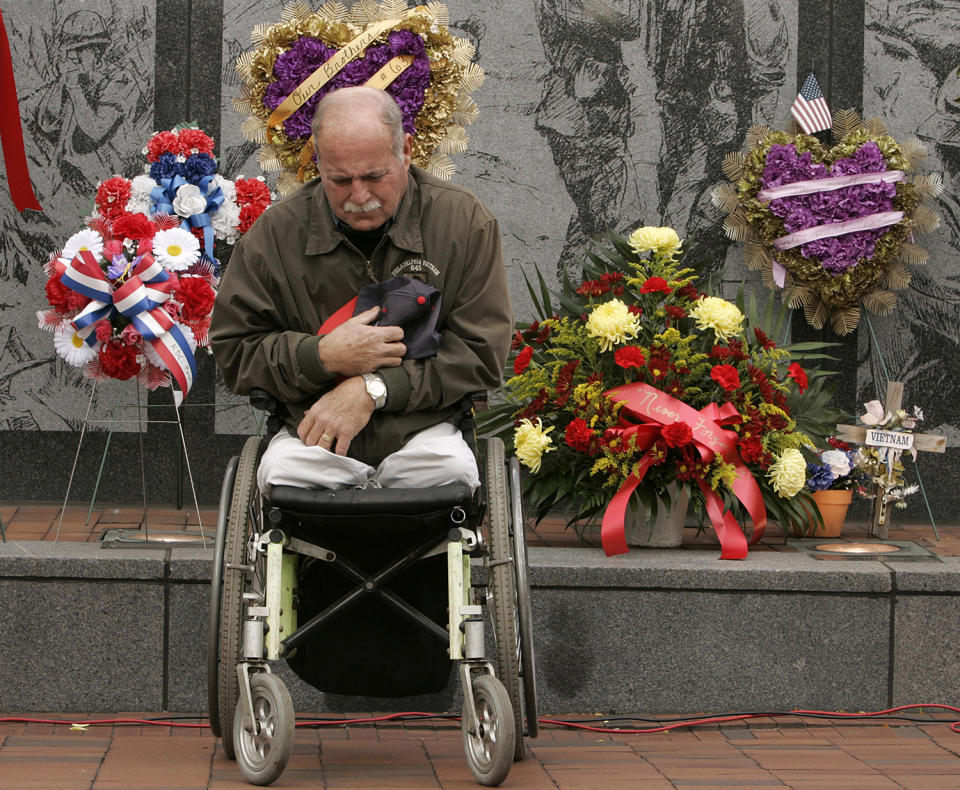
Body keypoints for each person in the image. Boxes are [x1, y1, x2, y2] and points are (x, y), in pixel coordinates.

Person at [210, 86, 513, 492]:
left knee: (451, 473)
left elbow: (481, 351)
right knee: (282, 476)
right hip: (312, 434)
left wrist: (375, 389)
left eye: (374, 176)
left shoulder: (464, 223)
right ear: (317, 164)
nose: (359, 196)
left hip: (424, 433)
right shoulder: (276, 234)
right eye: (339, 180)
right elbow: (235, 351)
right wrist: (320, 356)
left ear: (406, 151)